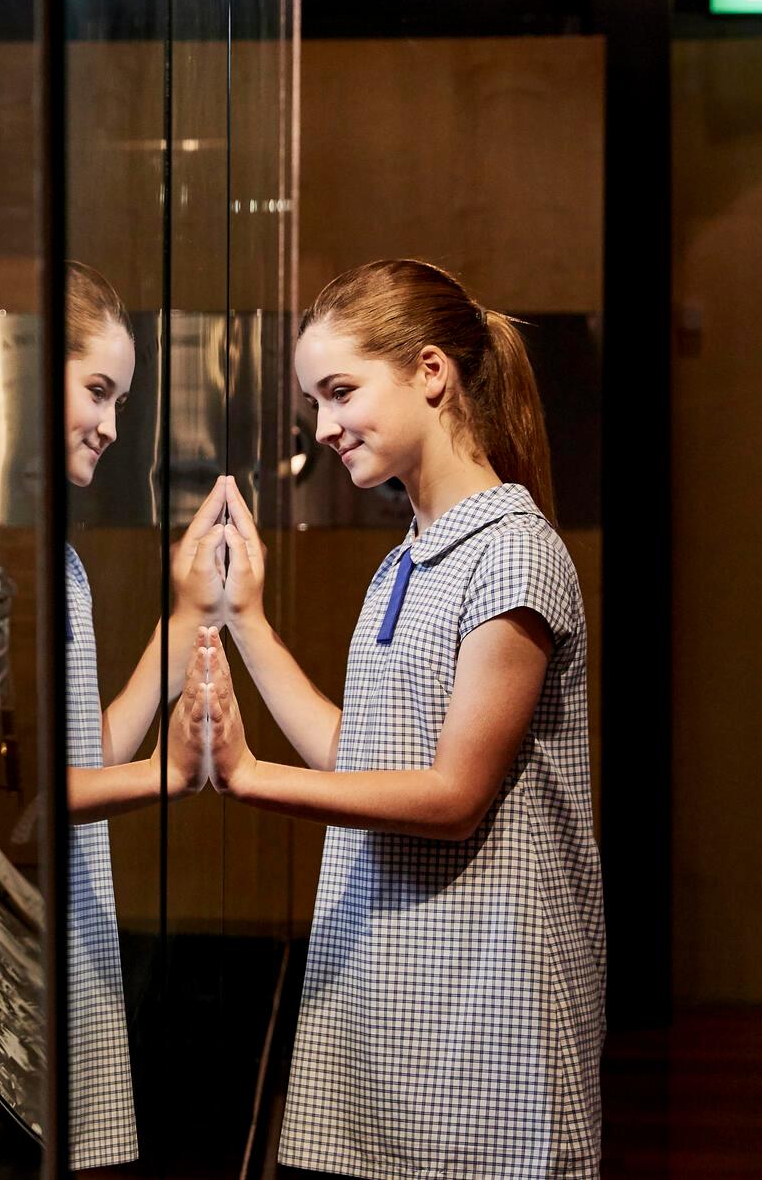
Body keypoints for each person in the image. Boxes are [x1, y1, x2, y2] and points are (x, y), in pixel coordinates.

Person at [184, 259, 604, 1179]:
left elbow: (453, 796)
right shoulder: (412, 555)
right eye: (316, 399)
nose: (324, 426)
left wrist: (248, 775)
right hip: (401, 994)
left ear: (429, 371)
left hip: (487, 1010)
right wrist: (244, 619)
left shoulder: (512, 555)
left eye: (341, 392)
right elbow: (366, 755)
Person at [58, 259, 227, 1170]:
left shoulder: (69, 564)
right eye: (97, 389)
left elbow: (92, 749)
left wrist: (192, 615)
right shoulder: (31, 558)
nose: (114, 425)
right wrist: (172, 772)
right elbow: (41, 791)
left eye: (120, 398)